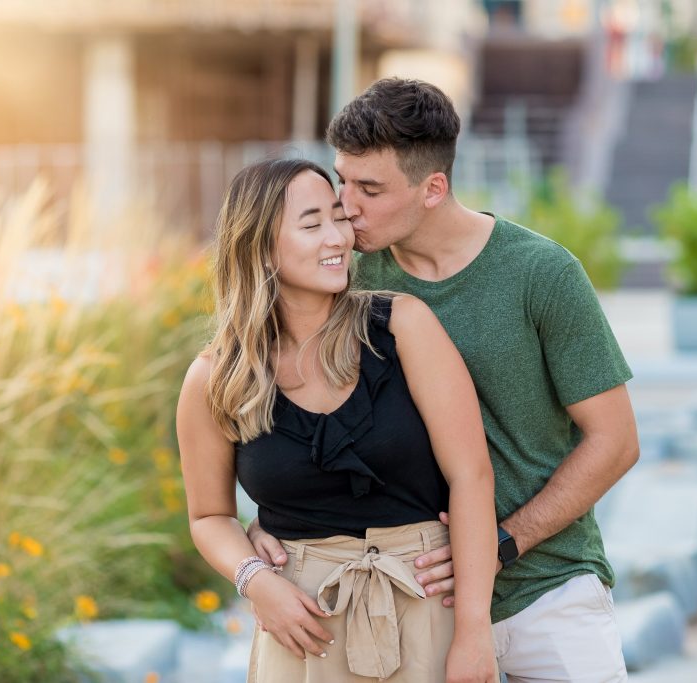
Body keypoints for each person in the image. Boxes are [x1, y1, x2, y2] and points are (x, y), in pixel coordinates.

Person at [249, 79, 640, 682]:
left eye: (369, 189)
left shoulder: (541, 273)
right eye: (342, 181)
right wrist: (280, 515)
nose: (346, 206)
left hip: (549, 589)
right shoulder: (344, 280)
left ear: (434, 188)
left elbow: (615, 442)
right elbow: (307, 408)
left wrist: (503, 543)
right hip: (410, 601)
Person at [176, 158, 498, 683]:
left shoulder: (403, 326)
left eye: (338, 217)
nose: (338, 238)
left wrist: (474, 631)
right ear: (259, 249)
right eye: (311, 224)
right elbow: (209, 516)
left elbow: (471, 476)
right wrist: (256, 581)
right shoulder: (215, 377)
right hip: (300, 622)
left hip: (423, 601)